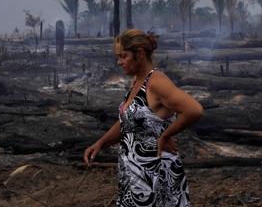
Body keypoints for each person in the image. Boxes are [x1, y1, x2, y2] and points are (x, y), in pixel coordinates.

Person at [84, 29, 203, 207]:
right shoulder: (137, 82)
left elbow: (194, 109)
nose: (119, 62)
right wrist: (101, 143)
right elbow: (128, 123)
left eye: (124, 56)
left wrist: (165, 135)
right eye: (118, 56)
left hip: (154, 175)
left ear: (139, 54)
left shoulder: (156, 81)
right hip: (135, 176)